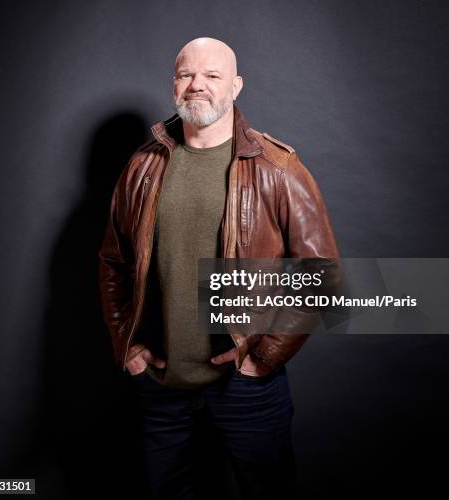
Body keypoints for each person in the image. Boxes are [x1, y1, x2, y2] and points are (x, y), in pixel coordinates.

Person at [98, 37, 339, 499]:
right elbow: (113, 261)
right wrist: (125, 345)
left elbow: (321, 273)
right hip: (161, 388)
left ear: (236, 86)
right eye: (187, 75)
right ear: (174, 85)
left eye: (212, 76)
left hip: (247, 388)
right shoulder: (142, 167)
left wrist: (263, 355)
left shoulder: (277, 167)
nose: (197, 86)